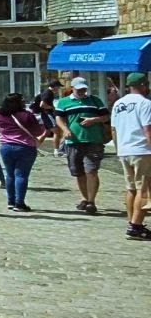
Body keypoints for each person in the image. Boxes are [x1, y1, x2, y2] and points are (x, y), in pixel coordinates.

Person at [55, 77, 110, 215]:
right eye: (79, 89)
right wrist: (65, 130)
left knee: (91, 171)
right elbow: (59, 118)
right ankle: (84, 198)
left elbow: (106, 117)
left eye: (84, 89)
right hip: (73, 141)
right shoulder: (64, 102)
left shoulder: (95, 100)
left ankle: (92, 201)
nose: (82, 91)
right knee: (78, 172)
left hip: (93, 140)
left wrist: (94, 119)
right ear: (72, 88)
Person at [0, 93, 49, 212]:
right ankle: (19, 203)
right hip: (25, 147)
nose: (24, 102)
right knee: (21, 175)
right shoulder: (27, 115)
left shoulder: (0, 115)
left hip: (6, 147)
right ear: (17, 102)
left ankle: (10, 201)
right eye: (22, 100)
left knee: (10, 174)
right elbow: (37, 131)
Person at [110, 72, 151, 240]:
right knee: (144, 189)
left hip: (124, 149)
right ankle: (136, 226)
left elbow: (113, 130)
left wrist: (119, 148)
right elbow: (148, 129)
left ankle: (132, 222)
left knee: (131, 188)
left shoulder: (118, 104)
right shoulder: (145, 103)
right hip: (141, 149)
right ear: (143, 85)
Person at [32, 79, 63, 156]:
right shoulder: (48, 93)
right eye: (58, 87)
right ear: (55, 86)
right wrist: (52, 108)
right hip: (47, 114)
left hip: (46, 114)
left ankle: (34, 148)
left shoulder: (49, 93)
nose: (58, 88)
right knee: (56, 131)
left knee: (46, 132)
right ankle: (56, 151)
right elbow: (42, 105)